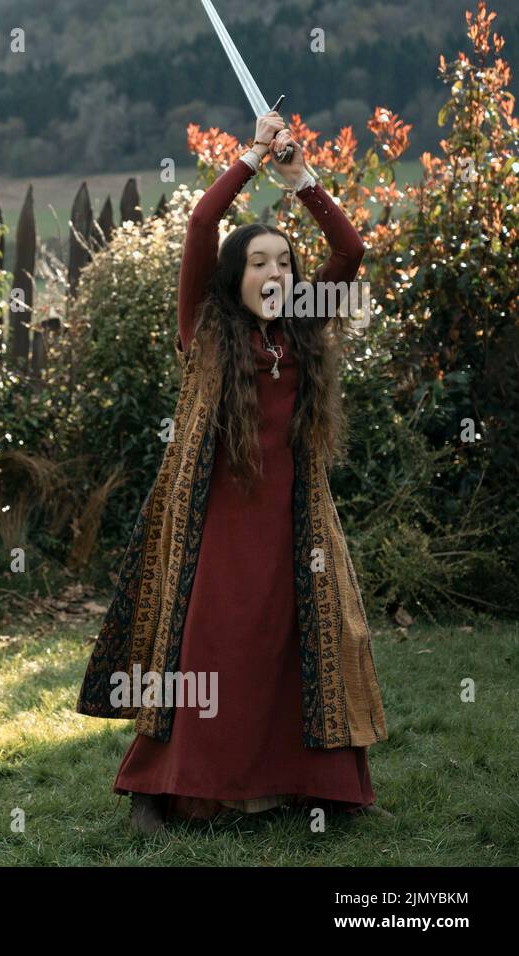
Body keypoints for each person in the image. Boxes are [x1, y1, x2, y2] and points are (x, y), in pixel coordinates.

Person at [76, 111, 392, 834]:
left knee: (299, 649)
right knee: (209, 652)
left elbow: (350, 247)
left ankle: (303, 788)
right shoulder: (206, 331)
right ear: (235, 278)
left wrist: (301, 179)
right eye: (259, 263)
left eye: (284, 262)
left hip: (298, 526)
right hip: (213, 531)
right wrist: (250, 158)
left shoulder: (305, 329)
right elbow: (199, 224)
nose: (276, 272)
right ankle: (159, 789)